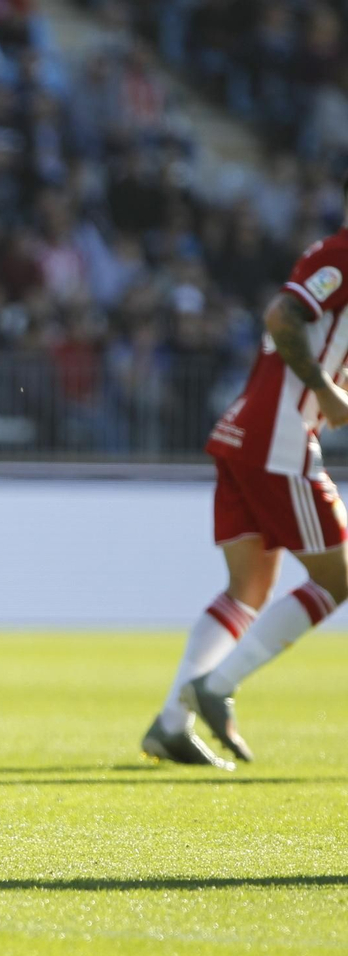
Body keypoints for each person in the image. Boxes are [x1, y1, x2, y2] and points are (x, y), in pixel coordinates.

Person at [142, 175, 348, 769]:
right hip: (279, 441)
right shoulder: (342, 256)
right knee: (339, 577)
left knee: (249, 589)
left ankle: (171, 723)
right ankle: (218, 684)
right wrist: (325, 392)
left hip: (244, 433)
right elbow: (282, 315)